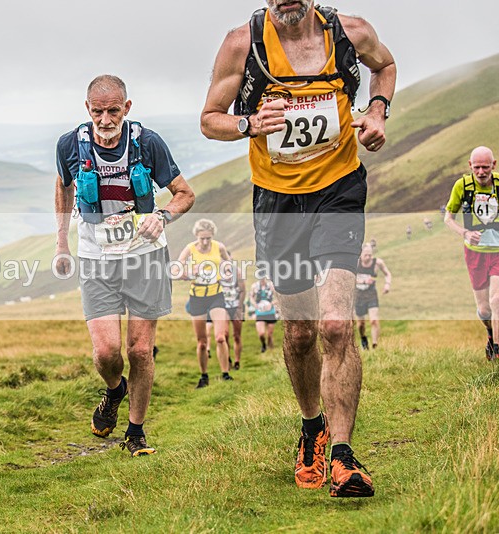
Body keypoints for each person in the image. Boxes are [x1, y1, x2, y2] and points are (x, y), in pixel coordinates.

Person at [201, 0, 396, 497]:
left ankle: (344, 457)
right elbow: (209, 119)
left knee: (335, 324)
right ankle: (312, 427)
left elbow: (385, 66)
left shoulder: (348, 32)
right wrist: (248, 124)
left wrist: (376, 111)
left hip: (339, 190)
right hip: (278, 202)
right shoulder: (242, 44)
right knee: (302, 331)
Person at [54, 75, 195, 456]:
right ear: (87, 110)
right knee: (106, 353)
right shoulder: (70, 144)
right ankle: (115, 390)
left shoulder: (148, 143)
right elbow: (64, 185)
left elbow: (185, 194)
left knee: (140, 351)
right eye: (97, 111)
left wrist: (162, 216)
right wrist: (61, 241)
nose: (105, 119)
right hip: (96, 258)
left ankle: (135, 432)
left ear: (127, 108)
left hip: (145, 256)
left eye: (113, 110)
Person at [444, 146, 499, 360]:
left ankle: (496, 351)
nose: (482, 172)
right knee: (485, 310)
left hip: (497, 252)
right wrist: (464, 233)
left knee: (497, 301)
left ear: (493, 166)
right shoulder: (462, 186)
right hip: (475, 253)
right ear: (470, 166)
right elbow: (448, 218)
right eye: (477, 167)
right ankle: (490, 332)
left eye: (486, 167)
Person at [177, 219, 234, 388]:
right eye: (202, 238)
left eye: (208, 238)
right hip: (197, 297)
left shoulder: (219, 247)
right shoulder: (190, 249)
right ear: (197, 236)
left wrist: (228, 272)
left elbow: (228, 263)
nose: (205, 241)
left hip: (216, 294)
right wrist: (189, 272)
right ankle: (204, 376)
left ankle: (225, 374)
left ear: (212, 236)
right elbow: (176, 270)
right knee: (202, 341)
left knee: (221, 337)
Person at [207, 266, 247, 370]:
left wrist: (239, 307)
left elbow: (243, 290)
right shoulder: (217, 275)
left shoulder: (237, 273)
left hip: (236, 307)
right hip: (223, 307)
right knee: (224, 335)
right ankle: (227, 357)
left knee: (237, 335)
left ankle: (237, 361)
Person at [355, 243, 392, 350]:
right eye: (366, 255)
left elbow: (388, 274)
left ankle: (375, 346)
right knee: (361, 324)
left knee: (374, 320)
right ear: (360, 254)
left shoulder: (378, 263)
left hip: (371, 294)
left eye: (370, 255)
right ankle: (363, 338)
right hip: (358, 296)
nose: (368, 257)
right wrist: (363, 281)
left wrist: (387, 285)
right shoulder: (356, 263)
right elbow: (350, 277)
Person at [251, 277, 278, 353]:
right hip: (260, 312)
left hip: (270, 312)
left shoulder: (271, 286)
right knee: (261, 334)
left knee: (270, 334)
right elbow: (251, 297)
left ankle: (271, 349)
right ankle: (263, 344)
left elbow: (278, 297)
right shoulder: (254, 286)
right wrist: (255, 304)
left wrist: (271, 304)